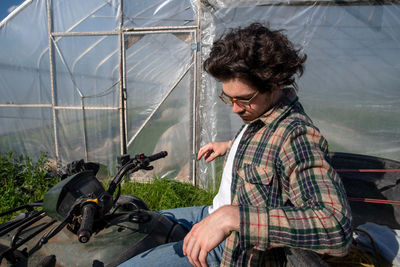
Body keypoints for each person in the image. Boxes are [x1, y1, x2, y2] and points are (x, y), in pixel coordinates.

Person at [119, 22, 352, 267]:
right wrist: (230, 146)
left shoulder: (297, 137)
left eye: (243, 99)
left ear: (274, 85)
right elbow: (263, 147)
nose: (235, 108)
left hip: (232, 246)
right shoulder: (262, 113)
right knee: (138, 226)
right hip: (211, 212)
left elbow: (335, 226)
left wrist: (234, 218)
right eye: (228, 98)